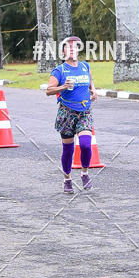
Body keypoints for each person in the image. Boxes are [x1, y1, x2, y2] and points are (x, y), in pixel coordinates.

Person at [46, 36, 98, 193]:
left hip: (84, 112)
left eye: (74, 47)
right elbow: (48, 90)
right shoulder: (59, 70)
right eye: (68, 48)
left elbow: (89, 82)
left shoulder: (84, 66)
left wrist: (93, 91)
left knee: (85, 145)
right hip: (66, 113)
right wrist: (63, 87)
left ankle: (84, 173)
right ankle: (67, 179)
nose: (72, 50)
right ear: (63, 52)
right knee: (68, 150)